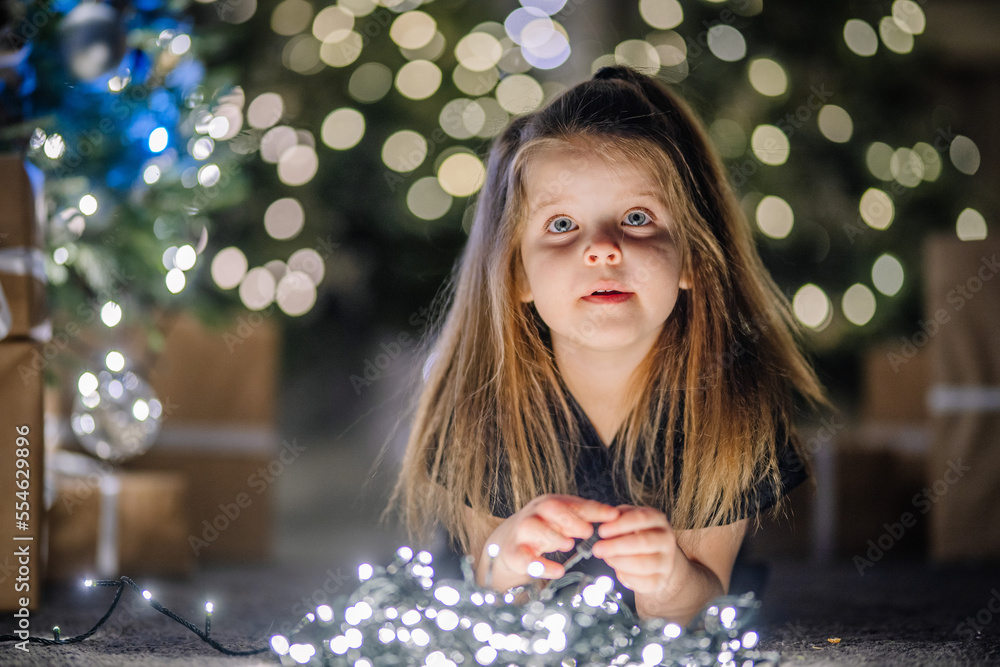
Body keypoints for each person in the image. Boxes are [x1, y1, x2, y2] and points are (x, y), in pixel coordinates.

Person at [379, 64, 830, 625]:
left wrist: (669, 581)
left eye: (637, 218)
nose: (603, 249)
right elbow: (482, 599)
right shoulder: (478, 405)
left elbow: (702, 605)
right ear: (517, 273)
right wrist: (505, 566)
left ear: (691, 257)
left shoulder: (732, 407)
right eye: (563, 225)